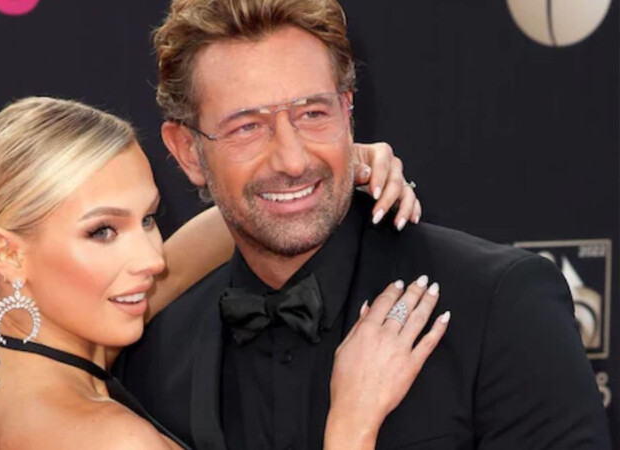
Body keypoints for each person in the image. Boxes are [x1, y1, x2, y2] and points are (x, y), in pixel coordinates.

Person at [114, 0, 611, 449]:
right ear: (187, 151)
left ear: (347, 112)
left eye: (313, 113)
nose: (292, 159)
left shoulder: (497, 307)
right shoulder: (154, 355)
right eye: (247, 127)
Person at [0, 96, 445, 450]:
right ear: (8, 254)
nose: (151, 258)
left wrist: (319, 172)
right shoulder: (112, 440)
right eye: (103, 231)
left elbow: (185, 258)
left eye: (147, 219)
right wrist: (352, 420)